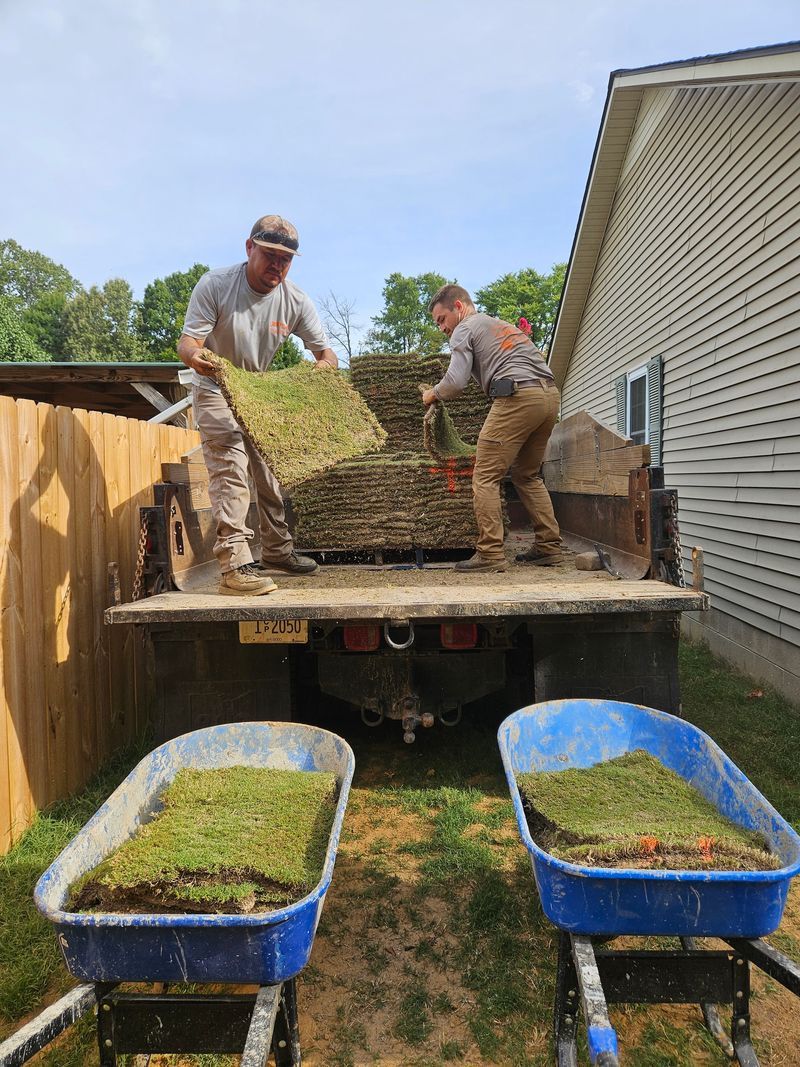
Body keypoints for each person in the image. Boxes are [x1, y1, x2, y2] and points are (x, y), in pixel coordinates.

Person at [178, 215, 338, 596]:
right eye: (269, 255)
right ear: (249, 248)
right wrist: (197, 358)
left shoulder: (295, 301)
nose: (277, 266)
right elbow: (187, 343)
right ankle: (234, 567)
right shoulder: (216, 285)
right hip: (216, 384)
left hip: (259, 392)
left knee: (268, 471)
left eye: (286, 259)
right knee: (231, 466)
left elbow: (327, 355)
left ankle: (278, 550)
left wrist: (319, 371)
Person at [421, 284, 562, 573]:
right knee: (527, 475)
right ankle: (549, 548)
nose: (441, 328)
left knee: (485, 475)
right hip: (548, 397)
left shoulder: (465, 328)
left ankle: (490, 553)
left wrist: (432, 393)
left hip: (518, 397)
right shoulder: (498, 324)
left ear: (458, 307)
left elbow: (456, 382)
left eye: (441, 319)